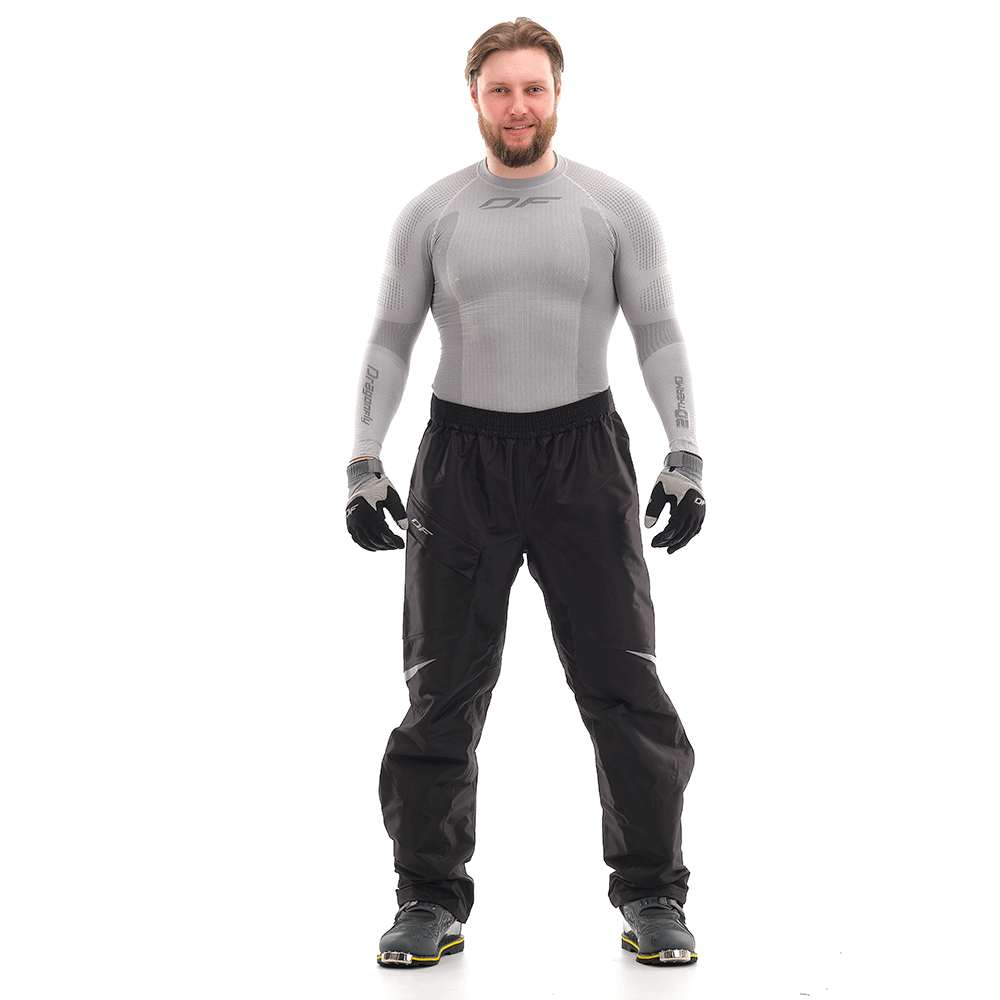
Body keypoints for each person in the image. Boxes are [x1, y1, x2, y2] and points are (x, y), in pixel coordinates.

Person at [346, 17, 706, 968]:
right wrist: (363, 461)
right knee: (440, 692)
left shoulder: (613, 208)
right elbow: (390, 337)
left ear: (558, 94)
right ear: (474, 97)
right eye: (500, 90)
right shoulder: (432, 213)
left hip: (583, 461)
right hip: (460, 464)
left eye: (533, 89)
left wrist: (685, 453)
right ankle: (428, 898)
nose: (518, 107)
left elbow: (659, 331)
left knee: (625, 685)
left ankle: (652, 894)